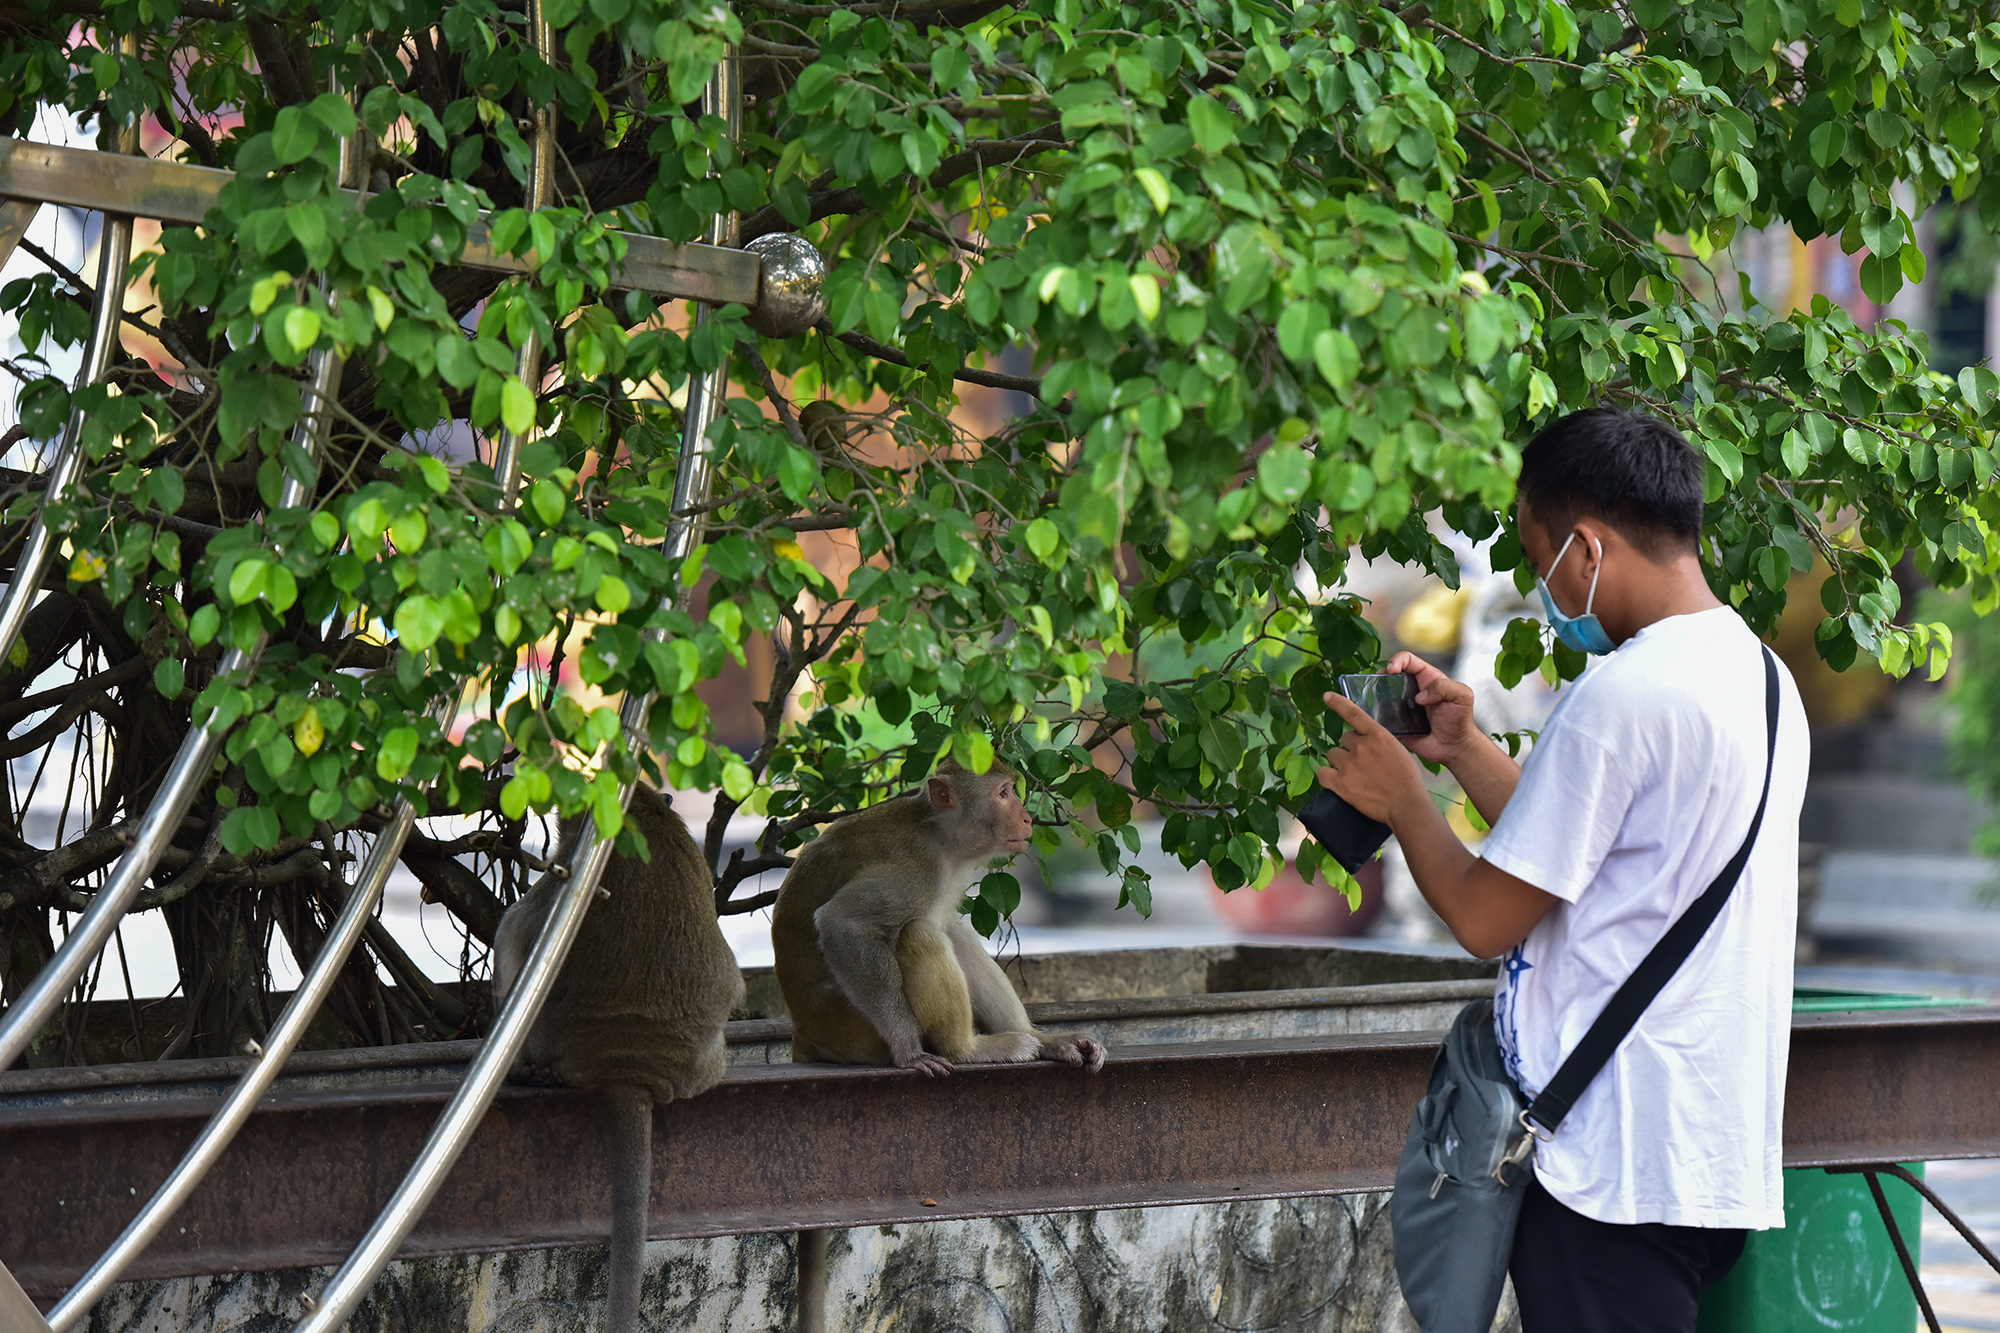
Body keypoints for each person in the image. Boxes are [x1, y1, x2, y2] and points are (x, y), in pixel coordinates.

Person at [1316, 408, 1810, 1333]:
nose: (1543, 588)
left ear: (1586, 546)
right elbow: (1593, 855)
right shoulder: (1764, 680)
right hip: (1707, 1152)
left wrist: (1402, 799)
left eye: (1541, 559)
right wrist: (1460, 751)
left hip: (1610, 1167)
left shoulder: (1620, 694)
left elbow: (1482, 918)